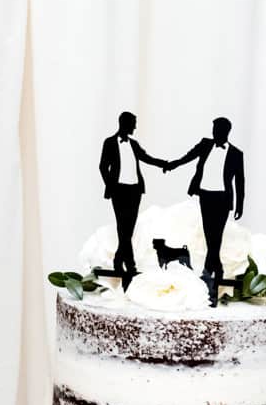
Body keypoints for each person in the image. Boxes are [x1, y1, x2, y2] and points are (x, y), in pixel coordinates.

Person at [157, 114, 246, 303]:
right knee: (210, 236)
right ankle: (217, 271)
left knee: (216, 237)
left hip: (223, 198)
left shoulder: (237, 154)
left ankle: (209, 278)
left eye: (218, 130)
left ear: (226, 132)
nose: (215, 133)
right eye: (214, 130)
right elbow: (188, 157)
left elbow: (240, 181)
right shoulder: (206, 144)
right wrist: (171, 165)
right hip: (205, 195)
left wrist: (240, 205)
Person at [98, 110, 156, 285]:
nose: (135, 127)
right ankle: (129, 264)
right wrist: (111, 186)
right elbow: (102, 166)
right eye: (133, 123)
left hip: (135, 190)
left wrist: (165, 164)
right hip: (119, 190)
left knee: (128, 228)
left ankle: (120, 259)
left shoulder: (133, 144)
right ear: (125, 123)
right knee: (123, 226)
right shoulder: (109, 142)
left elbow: (146, 157)